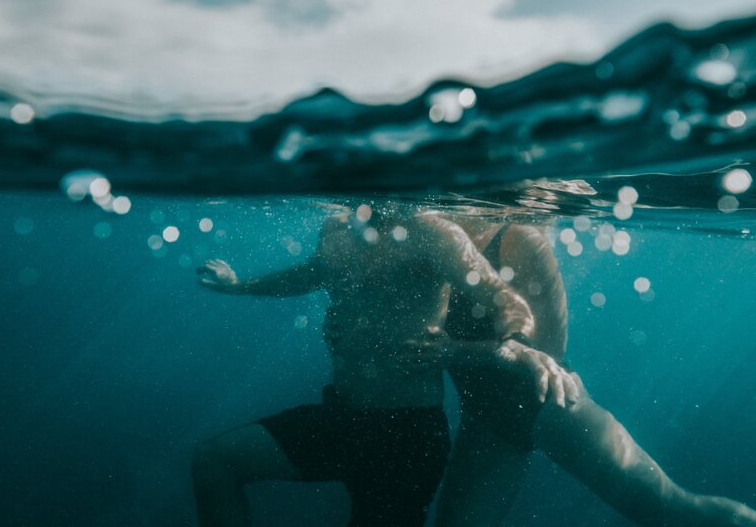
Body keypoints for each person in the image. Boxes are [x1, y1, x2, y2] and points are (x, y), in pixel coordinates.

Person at [191, 203, 573, 527]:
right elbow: (309, 274)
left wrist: (518, 344)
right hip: (341, 416)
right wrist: (237, 285)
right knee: (214, 461)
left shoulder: (431, 232)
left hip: (406, 438)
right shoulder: (336, 228)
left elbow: (507, 301)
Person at [424, 218, 756, 527]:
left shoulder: (519, 239)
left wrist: (459, 353)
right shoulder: (437, 235)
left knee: (673, 511)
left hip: (551, 406)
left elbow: (550, 352)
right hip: (484, 419)